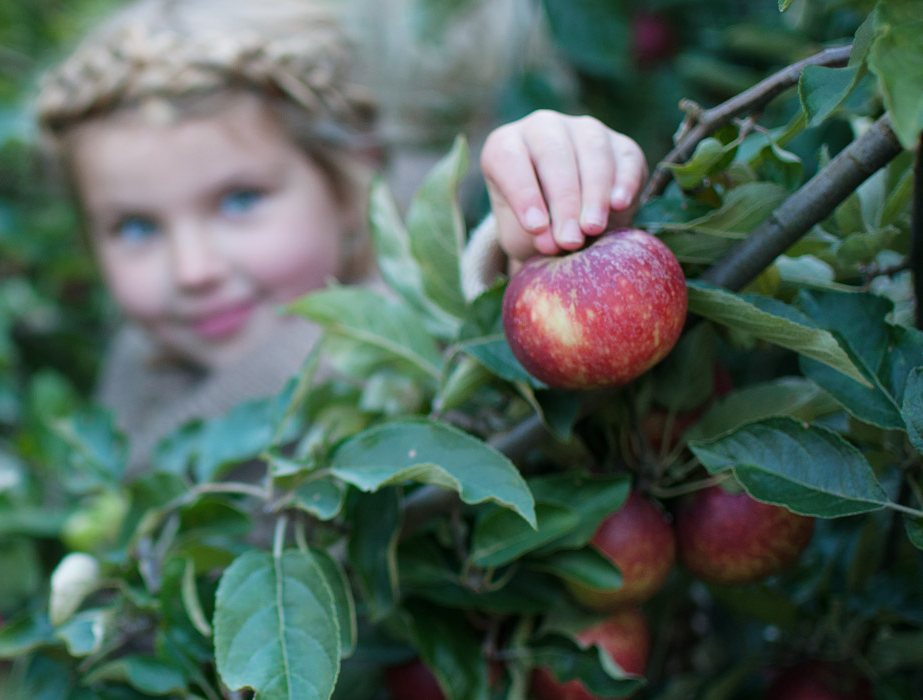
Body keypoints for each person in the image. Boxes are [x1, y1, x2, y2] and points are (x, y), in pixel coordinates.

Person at [34, 0, 646, 473]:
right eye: (135, 226)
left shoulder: (407, 357)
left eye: (240, 200)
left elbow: (476, 329)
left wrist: (543, 240)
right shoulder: (133, 378)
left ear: (348, 184)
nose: (193, 270)